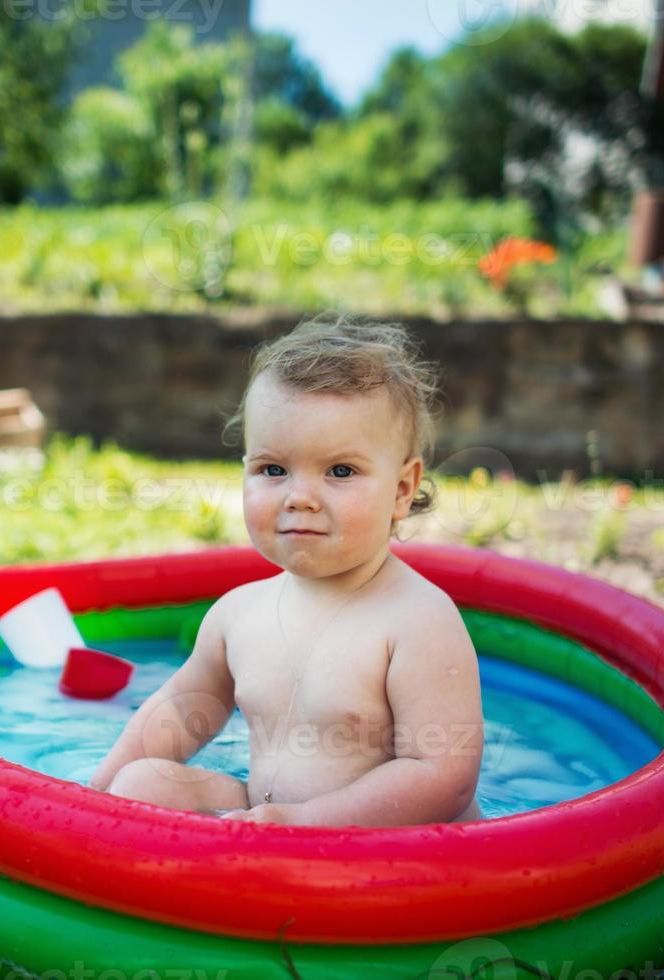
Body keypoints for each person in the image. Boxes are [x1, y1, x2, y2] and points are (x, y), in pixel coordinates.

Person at [88, 314, 484, 826]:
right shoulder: (239, 614)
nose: (300, 498)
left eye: (340, 471)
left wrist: (303, 823)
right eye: (273, 469)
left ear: (402, 491)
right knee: (140, 783)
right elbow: (182, 711)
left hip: (384, 853)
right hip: (271, 820)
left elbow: (442, 777)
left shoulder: (417, 620)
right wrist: (93, 793)